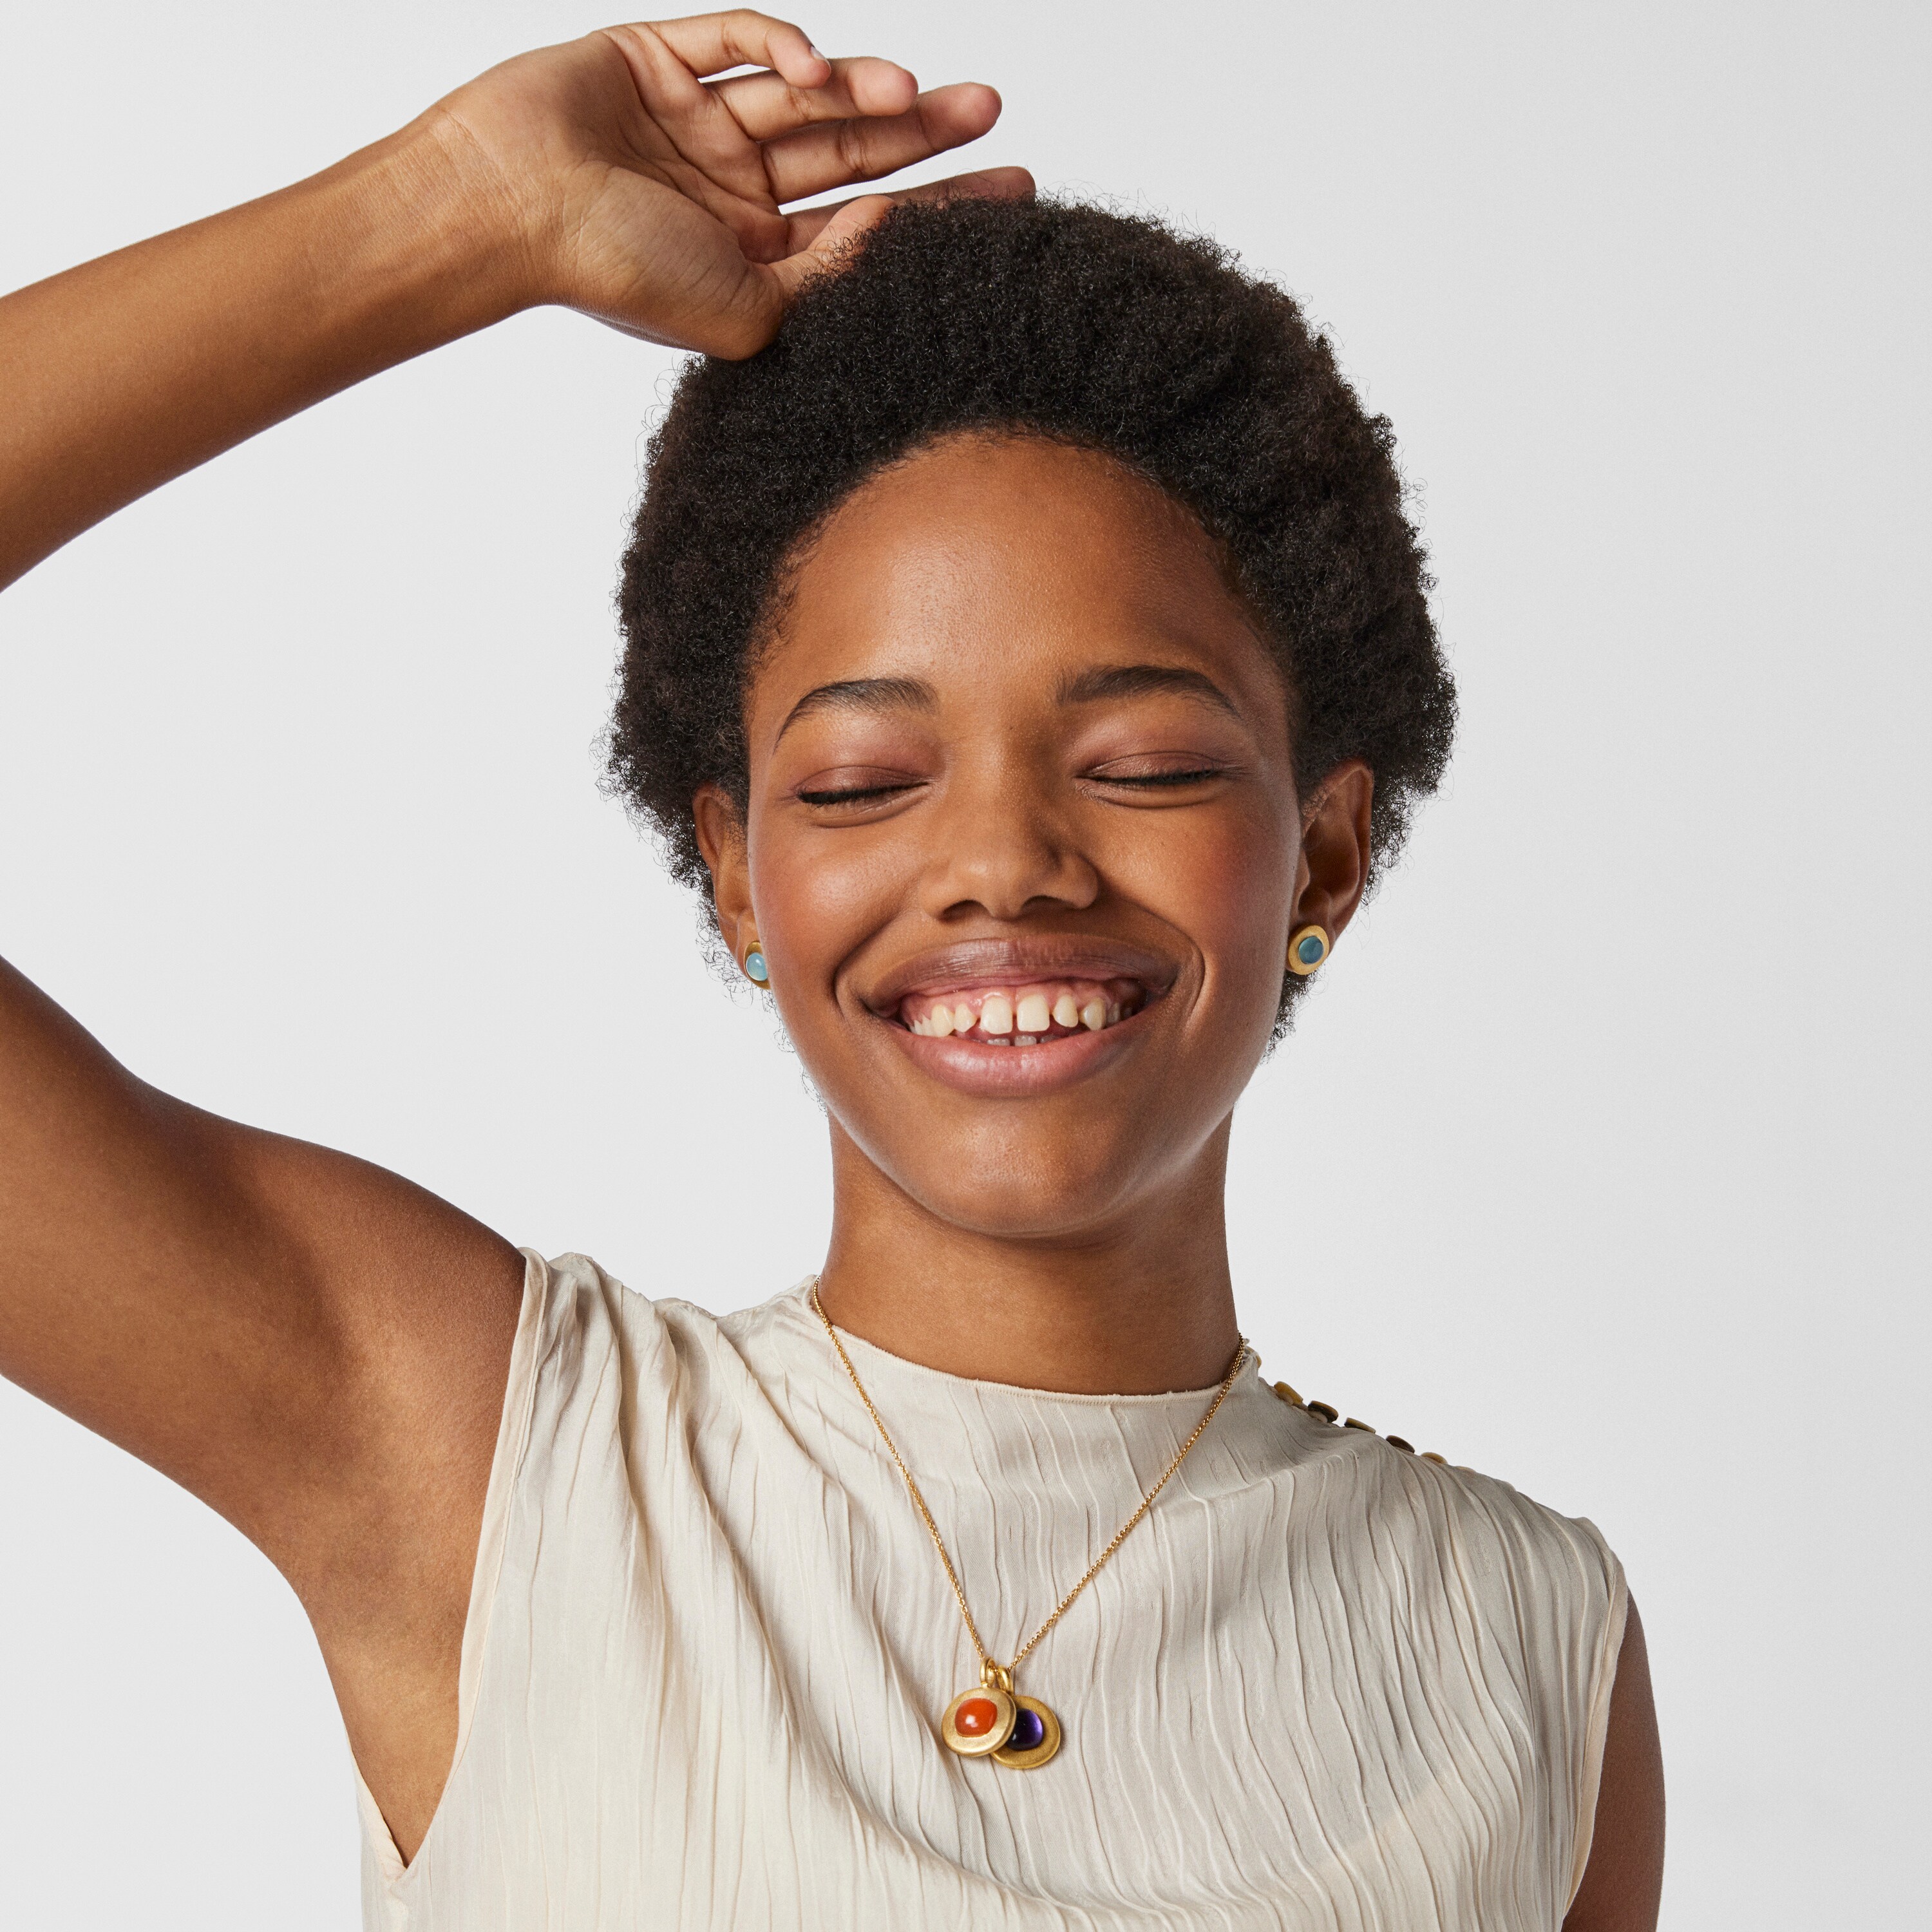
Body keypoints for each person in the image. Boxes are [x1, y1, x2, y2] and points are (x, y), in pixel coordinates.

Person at [0, 14, 1663, 1929]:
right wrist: (442, 220)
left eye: (1139, 766)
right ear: (736, 874)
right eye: (868, 779)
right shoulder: (481, 1467)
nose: (1004, 870)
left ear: (1332, 854)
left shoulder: (1534, 1645)